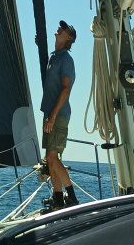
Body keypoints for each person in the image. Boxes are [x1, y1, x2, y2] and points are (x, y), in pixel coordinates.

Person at [41, 20, 78, 210]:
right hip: (50, 114)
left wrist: (53, 116)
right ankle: (58, 198)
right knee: (50, 158)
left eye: (63, 29)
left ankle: (71, 197)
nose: (59, 28)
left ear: (69, 37)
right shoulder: (54, 57)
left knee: (53, 157)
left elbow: (66, 89)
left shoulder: (66, 59)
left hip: (58, 115)